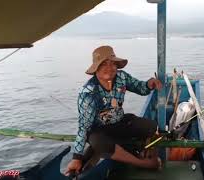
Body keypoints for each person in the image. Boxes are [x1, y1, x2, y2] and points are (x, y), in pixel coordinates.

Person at [64, 45, 162, 176]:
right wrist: (76, 158)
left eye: (113, 63)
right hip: (99, 131)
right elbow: (83, 127)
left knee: (151, 126)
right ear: (96, 68)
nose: (109, 68)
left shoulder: (122, 77)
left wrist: (149, 83)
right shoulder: (88, 93)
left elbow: (141, 88)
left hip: (120, 123)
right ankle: (144, 163)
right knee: (98, 142)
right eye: (104, 64)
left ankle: (142, 150)